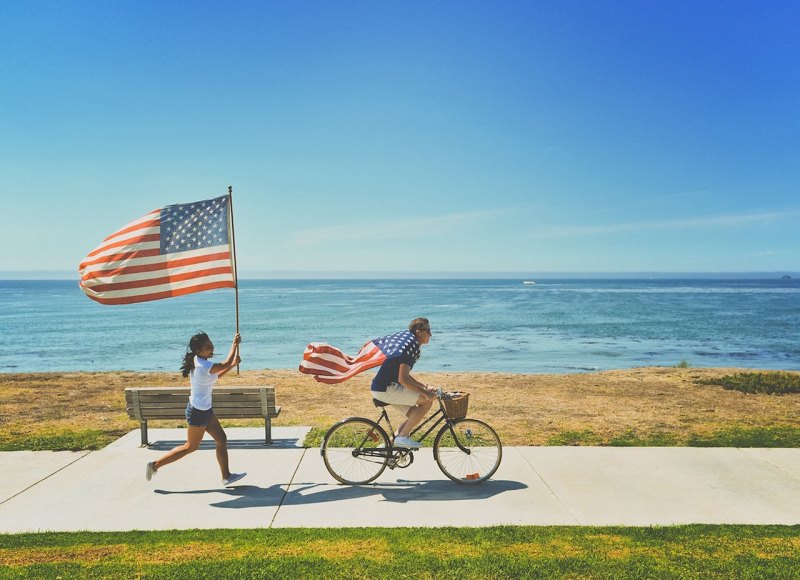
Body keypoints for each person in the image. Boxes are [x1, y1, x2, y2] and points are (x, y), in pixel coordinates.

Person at [145, 331, 246, 486]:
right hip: (197, 412)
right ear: (198, 351)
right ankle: (154, 465)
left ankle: (226, 476)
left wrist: (232, 365)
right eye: (208, 347)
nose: (212, 348)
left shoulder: (199, 360)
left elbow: (216, 375)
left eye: (211, 344)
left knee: (222, 439)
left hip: (205, 410)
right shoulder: (203, 365)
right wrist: (234, 345)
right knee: (190, 447)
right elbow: (223, 364)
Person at [371, 317, 436, 448]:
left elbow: (405, 377)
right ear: (419, 332)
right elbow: (403, 380)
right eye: (428, 331)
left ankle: (389, 445)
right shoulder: (409, 347)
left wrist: (424, 387)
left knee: (414, 415)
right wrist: (426, 394)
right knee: (426, 402)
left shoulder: (409, 344)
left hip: (385, 387)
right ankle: (401, 438)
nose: (431, 334)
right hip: (386, 389)